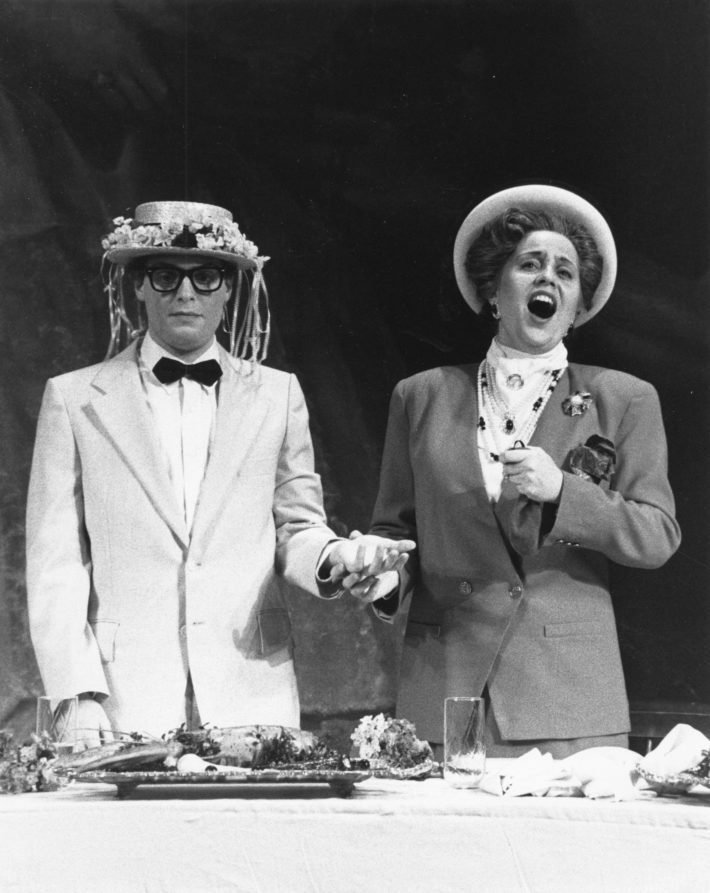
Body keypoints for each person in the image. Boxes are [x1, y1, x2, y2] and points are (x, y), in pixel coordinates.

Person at [26, 200, 413, 745]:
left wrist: (336, 558)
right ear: (138, 285)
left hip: (250, 689)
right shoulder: (73, 399)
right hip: (118, 697)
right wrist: (77, 693)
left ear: (229, 288)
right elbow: (56, 564)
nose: (186, 294)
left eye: (205, 277)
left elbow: (297, 528)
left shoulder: (278, 394)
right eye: (165, 276)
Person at [358, 184, 681, 758]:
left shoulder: (623, 398)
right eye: (529, 264)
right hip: (446, 694)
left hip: (568, 697)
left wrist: (564, 494)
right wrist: (384, 577)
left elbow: (657, 535)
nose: (547, 280)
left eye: (565, 271)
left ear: (578, 304)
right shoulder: (421, 396)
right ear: (492, 289)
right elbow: (396, 532)